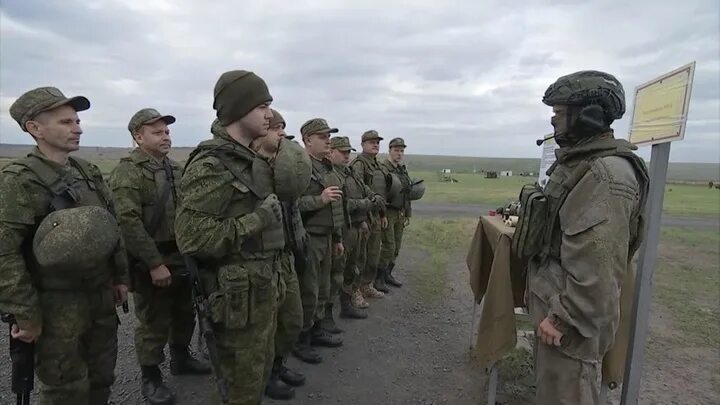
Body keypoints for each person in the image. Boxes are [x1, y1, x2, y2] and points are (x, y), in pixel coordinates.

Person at [523, 71, 649, 404]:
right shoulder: (581, 164)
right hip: (557, 308)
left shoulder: (604, 175)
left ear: (588, 116)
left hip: (570, 327)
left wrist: (564, 318)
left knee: (569, 392)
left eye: (560, 114)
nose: (554, 121)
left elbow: (599, 266)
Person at [0, 86, 129, 404]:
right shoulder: (20, 181)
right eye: (66, 122)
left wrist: (121, 276)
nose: (78, 128)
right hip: (55, 306)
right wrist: (24, 312)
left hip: (99, 298)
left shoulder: (88, 172)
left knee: (102, 379)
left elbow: (112, 226)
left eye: (77, 121)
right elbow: (5, 251)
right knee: (65, 389)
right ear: (35, 128)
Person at [175, 70, 284, 405]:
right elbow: (192, 238)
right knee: (241, 385)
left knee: (257, 374)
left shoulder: (248, 158)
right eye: (262, 105)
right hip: (237, 299)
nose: (269, 113)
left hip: (261, 290)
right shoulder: (212, 164)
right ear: (239, 108)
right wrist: (257, 220)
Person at [108, 108, 211, 405]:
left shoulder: (176, 169)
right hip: (150, 259)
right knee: (153, 320)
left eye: (166, 131)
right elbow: (128, 222)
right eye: (157, 132)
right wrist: (154, 263)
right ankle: (150, 377)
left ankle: (181, 357)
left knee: (184, 311)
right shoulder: (128, 171)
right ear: (138, 137)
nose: (165, 136)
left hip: (182, 256)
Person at [249, 108, 307, 400]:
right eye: (277, 129)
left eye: (284, 128)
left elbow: (292, 213)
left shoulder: (280, 167)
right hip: (262, 261)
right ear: (261, 133)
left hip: (286, 256)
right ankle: (267, 376)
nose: (282, 134)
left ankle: (278, 364)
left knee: (292, 319)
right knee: (267, 327)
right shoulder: (250, 170)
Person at [293, 118, 344, 363]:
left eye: (328, 136)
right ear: (307, 140)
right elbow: (290, 205)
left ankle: (315, 330)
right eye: (323, 137)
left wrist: (337, 238)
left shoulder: (325, 168)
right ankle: (300, 341)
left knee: (322, 289)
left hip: (326, 237)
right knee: (308, 292)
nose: (328, 141)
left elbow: (336, 208)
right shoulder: (299, 167)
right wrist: (319, 200)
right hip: (309, 239)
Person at [328, 136, 382, 318]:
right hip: (344, 227)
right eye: (342, 152)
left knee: (355, 266)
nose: (346, 156)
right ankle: (333, 309)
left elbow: (365, 188)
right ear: (331, 152)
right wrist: (367, 204)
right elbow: (343, 204)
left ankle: (347, 302)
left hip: (358, 226)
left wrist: (373, 197)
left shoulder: (349, 172)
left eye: (348, 152)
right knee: (339, 270)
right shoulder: (331, 175)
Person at [350, 130, 390, 296]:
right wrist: (361, 219)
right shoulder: (359, 165)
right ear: (363, 145)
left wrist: (382, 215)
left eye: (377, 142)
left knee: (373, 254)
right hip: (364, 216)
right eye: (371, 142)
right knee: (360, 256)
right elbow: (356, 192)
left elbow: (381, 192)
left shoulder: (377, 164)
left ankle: (367, 285)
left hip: (375, 216)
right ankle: (354, 290)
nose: (375, 144)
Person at [379, 137, 413, 288]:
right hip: (388, 212)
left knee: (396, 247)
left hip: (400, 211)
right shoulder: (383, 168)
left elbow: (407, 193)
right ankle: (378, 278)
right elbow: (380, 193)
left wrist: (407, 212)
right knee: (388, 246)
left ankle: (387, 274)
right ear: (390, 150)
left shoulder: (402, 169)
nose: (399, 154)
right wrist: (381, 214)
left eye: (402, 151)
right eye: (396, 150)